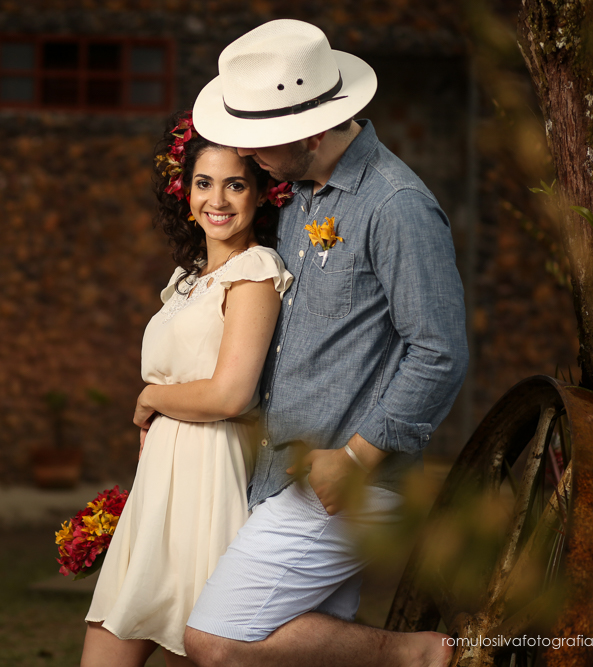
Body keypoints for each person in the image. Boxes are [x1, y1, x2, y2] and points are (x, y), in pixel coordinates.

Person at [181, 19, 468, 667]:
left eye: (260, 142)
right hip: (286, 473)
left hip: (348, 480)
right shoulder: (303, 197)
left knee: (216, 641)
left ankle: (420, 654)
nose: (248, 156)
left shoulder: (396, 207)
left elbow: (439, 351)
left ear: (311, 131)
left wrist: (359, 455)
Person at [80, 111, 294, 667]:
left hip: (209, 473)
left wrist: (151, 399)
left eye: (235, 184)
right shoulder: (190, 277)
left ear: (261, 194)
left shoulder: (254, 274)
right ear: (185, 189)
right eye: (204, 182)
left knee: (193, 641)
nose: (217, 200)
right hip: (163, 477)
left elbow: (230, 395)